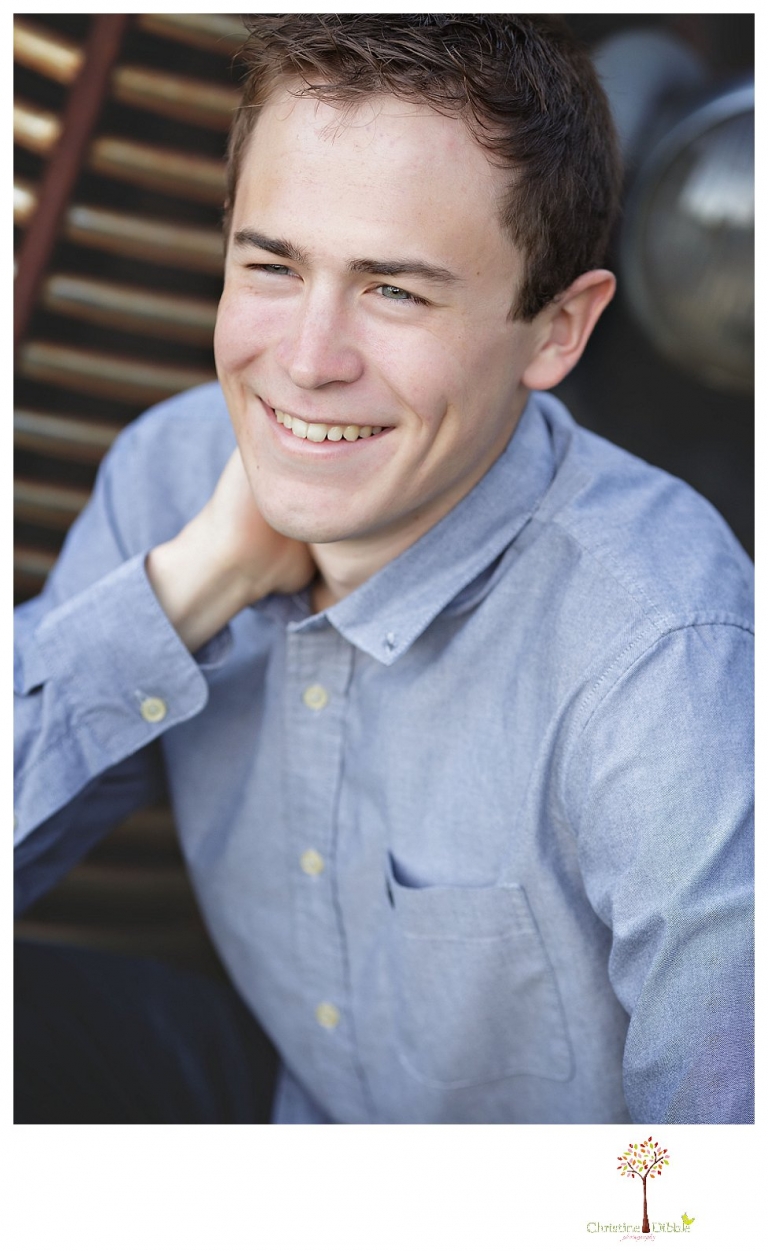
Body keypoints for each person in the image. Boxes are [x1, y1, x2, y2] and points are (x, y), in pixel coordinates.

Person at [14, 13, 753, 1124]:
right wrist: (192, 587)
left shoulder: (657, 645)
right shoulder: (178, 470)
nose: (307, 363)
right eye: (272, 264)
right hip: (287, 1113)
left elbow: (713, 1185)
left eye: (395, 291)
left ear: (558, 329)